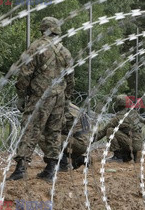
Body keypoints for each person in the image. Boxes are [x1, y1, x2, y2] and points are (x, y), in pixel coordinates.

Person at [7, 17, 74, 182]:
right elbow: (71, 79)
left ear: (43, 29)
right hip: (59, 97)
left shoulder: (36, 47)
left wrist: (21, 95)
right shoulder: (65, 51)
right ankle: (51, 170)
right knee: (54, 132)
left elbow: (25, 73)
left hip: (40, 97)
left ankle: (21, 168)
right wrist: (67, 99)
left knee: (30, 130)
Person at [39, 102, 91, 171]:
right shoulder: (72, 107)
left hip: (79, 142)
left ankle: (61, 163)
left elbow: (55, 129)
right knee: (58, 139)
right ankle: (79, 159)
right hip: (82, 142)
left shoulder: (64, 110)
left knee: (44, 138)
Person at [93, 95, 142, 162]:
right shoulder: (134, 113)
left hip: (131, 144)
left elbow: (103, 132)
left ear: (118, 105)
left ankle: (117, 157)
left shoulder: (119, 117)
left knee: (110, 130)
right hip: (138, 144)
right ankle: (131, 155)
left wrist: (90, 140)